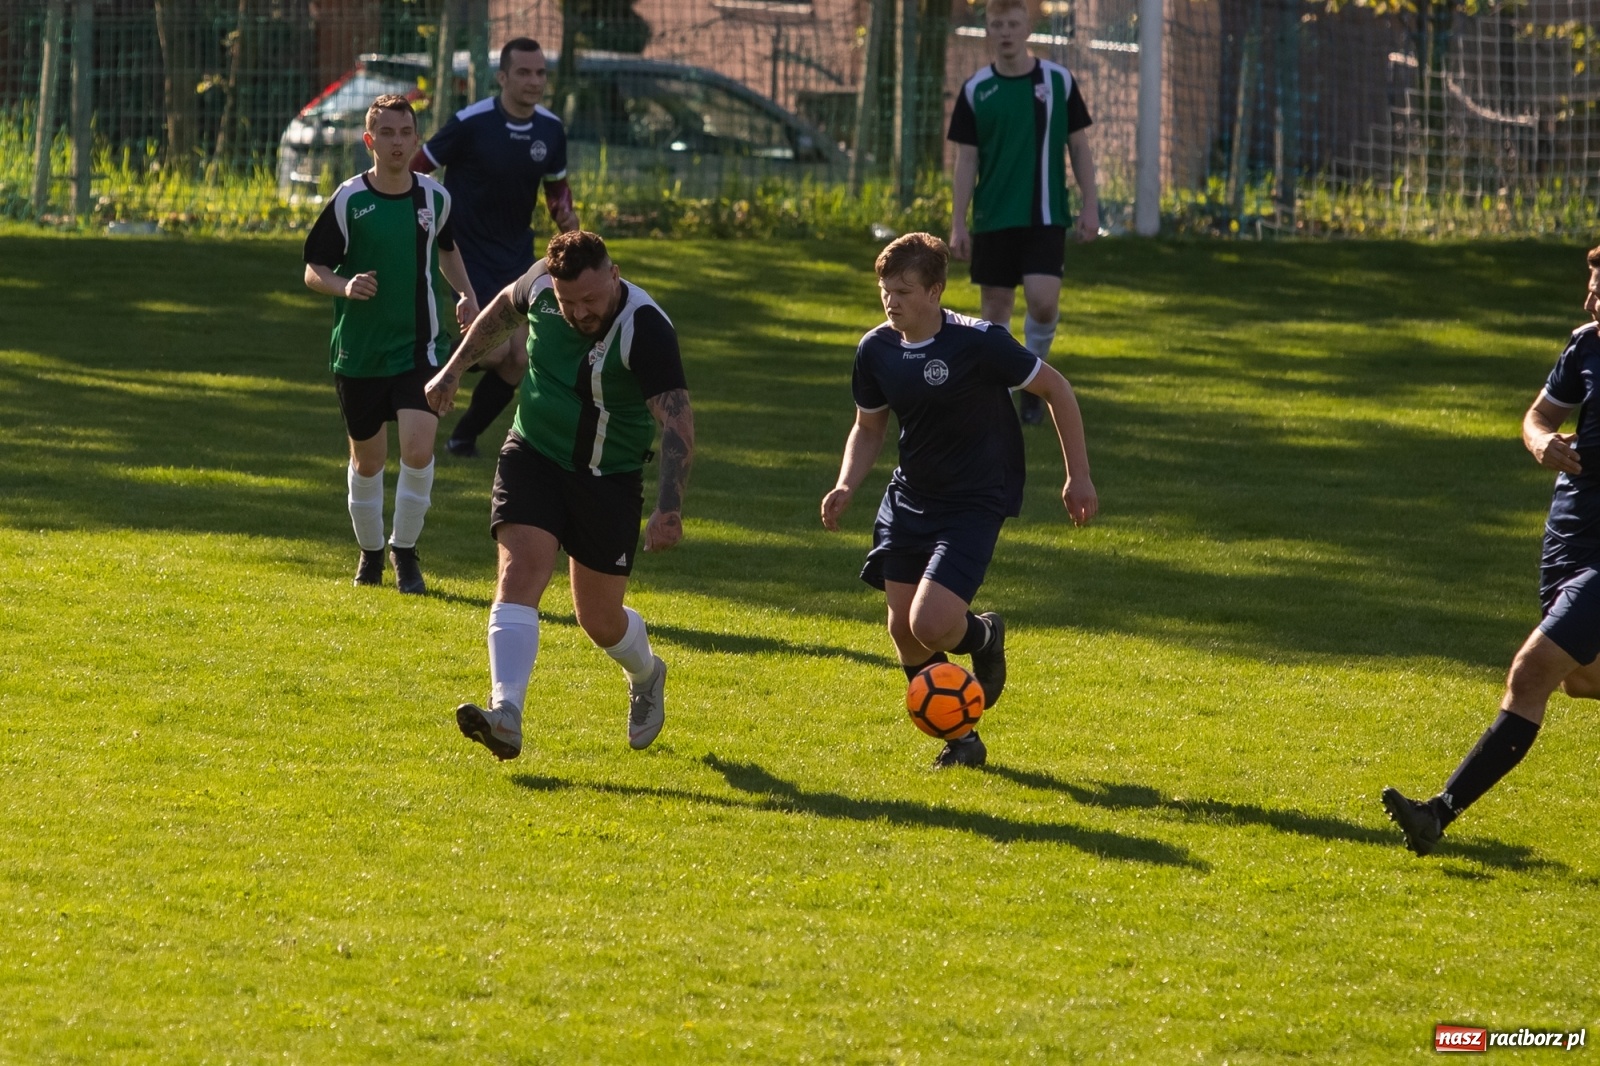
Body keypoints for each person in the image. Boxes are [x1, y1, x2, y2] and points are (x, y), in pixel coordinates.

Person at [820, 233, 1097, 769]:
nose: (890, 300)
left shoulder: (980, 342)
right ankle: (963, 741)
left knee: (931, 623)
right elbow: (868, 427)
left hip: (974, 499)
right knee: (902, 628)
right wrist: (847, 483)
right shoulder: (875, 349)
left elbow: (1057, 390)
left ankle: (984, 634)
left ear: (936, 290)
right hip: (910, 498)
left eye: (903, 290)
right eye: (885, 289)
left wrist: (1078, 477)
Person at [425, 230, 694, 760]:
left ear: (614, 276)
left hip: (608, 477)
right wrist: (452, 371)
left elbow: (677, 424)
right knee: (519, 571)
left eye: (591, 300)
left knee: (598, 618)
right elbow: (502, 311)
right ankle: (506, 713)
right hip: (533, 454)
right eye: (570, 302)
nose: (580, 312)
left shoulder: (645, 327)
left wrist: (669, 507)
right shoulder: (541, 287)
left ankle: (646, 673)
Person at [1383, 247, 1600, 855]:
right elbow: (1536, 417)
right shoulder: (1586, 346)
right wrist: (1543, 445)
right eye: (1590, 287)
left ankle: (1437, 813)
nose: (1589, 300)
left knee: (1531, 672)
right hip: (1567, 542)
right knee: (1580, 681)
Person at [303, 94, 478, 594]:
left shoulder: (434, 198)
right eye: (387, 134)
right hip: (359, 352)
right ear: (369, 141)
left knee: (419, 452)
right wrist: (344, 286)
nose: (397, 142)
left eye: (406, 133)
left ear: (417, 138)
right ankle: (371, 554)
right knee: (369, 461)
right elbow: (313, 268)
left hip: (421, 349)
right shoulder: (349, 200)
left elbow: (447, 250)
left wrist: (466, 295)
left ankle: (406, 553)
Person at [413, 36, 581, 459]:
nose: (534, 80)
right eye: (524, 72)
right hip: (466, 253)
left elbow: (556, 186)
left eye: (541, 72)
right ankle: (426, 375)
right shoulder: (471, 122)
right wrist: (423, 216)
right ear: (502, 76)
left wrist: (566, 218)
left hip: (516, 256)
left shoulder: (550, 129)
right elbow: (417, 168)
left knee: (517, 358)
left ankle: (462, 437)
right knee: (495, 350)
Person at [948, 0, 1100, 426]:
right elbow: (966, 160)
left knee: (1043, 303)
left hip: (1045, 215)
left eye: (1013, 24)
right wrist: (958, 221)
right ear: (988, 31)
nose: (1006, 32)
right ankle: (1000, 398)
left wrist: (1091, 206)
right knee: (995, 314)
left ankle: (1033, 382)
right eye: (997, 25)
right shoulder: (976, 89)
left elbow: (1079, 147)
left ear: (1028, 27)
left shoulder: (1058, 81)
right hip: (994, 217)